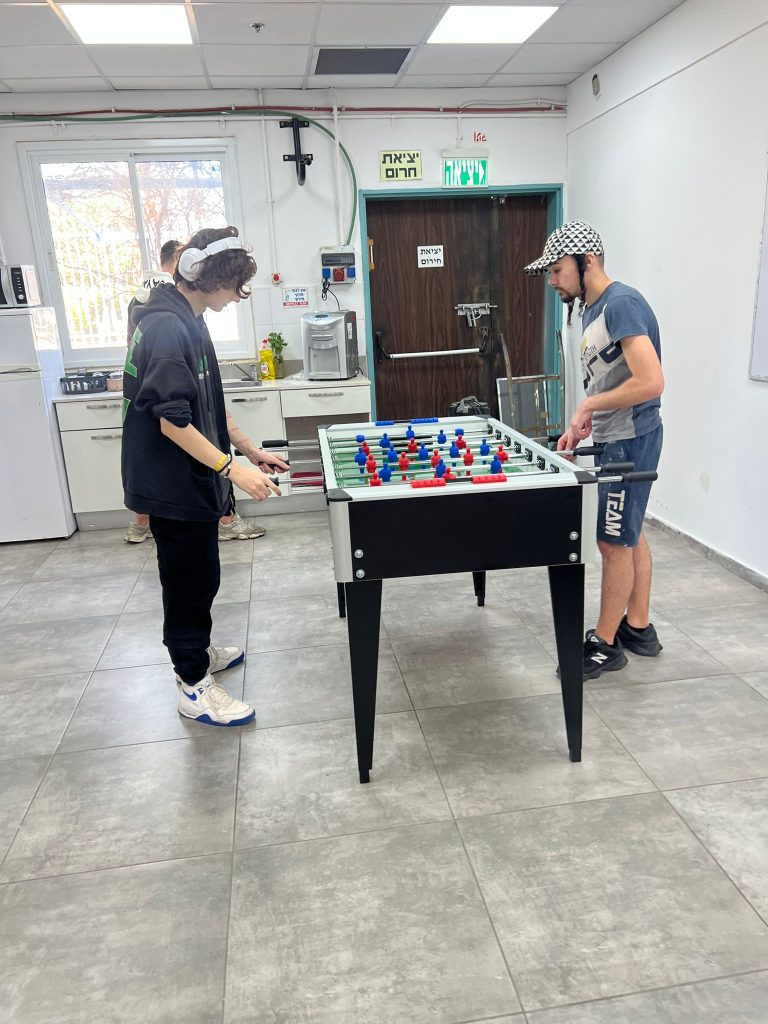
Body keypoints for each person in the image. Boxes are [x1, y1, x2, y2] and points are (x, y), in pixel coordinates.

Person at [121, 226, 289, 726]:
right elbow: (173, 423)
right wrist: (233, 470)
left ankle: (197, 652)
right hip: (170, 481)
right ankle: (192, 684)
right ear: (205, 276)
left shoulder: (189, 319)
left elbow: (209, 401)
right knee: (187, 582)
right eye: (234, 285)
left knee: (203, 575)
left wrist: (250, 450)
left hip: (191, 478)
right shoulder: (166, 328)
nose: (238, 295)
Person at [524, 221, 665, 680]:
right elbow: (612, 382)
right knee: (630, 532)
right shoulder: (592, 308)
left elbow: (651, 381)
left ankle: (605, 645)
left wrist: (589, 406)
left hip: (631, 438)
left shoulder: (620, 304)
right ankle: (638, 628)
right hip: (614, 435)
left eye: (557, 270)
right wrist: (582, 423)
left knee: (613, 539)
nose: (551, 280)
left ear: (586, 262)